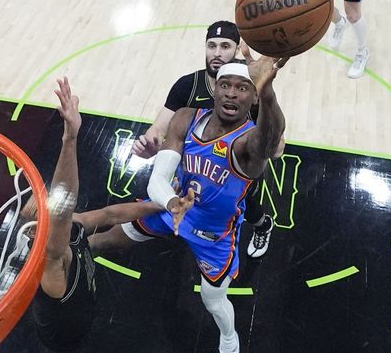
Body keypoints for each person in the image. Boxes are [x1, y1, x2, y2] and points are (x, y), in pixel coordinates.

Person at [94, 56, 288, 353]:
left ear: (252, 97)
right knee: (110, 238)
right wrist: (172, 203)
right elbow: (157, 180)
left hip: (214, 234)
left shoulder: (247, 142)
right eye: (225, 85)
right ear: (215, 90)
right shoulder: (187, 117)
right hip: (173, 208)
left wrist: (268, 90)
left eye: (242, 88)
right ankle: (61, 255)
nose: (232, 93)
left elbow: (270, 138)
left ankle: (228, 337)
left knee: (213, 300)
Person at [24, 78, 163, 352]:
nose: (52, 210)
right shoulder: (50, 258)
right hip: (61, 341)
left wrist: (158, 205)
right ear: (35, 231)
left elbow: (110, 214)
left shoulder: (72, 227)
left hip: (83, 315)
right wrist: (70, 138)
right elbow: (64, 205)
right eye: (46, 213)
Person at [132, 20, 277, 259]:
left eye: (225, 46)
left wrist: (268, 95)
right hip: (194, 165)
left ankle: (263, 225)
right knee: (178, 198)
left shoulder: (250, 88)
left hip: (235, 169)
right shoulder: (187, 85)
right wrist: (150, 146)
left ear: (237, 49)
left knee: (247, 209)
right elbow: (158, 129)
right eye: (211, 45)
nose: (217, 53)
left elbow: (276, 146)